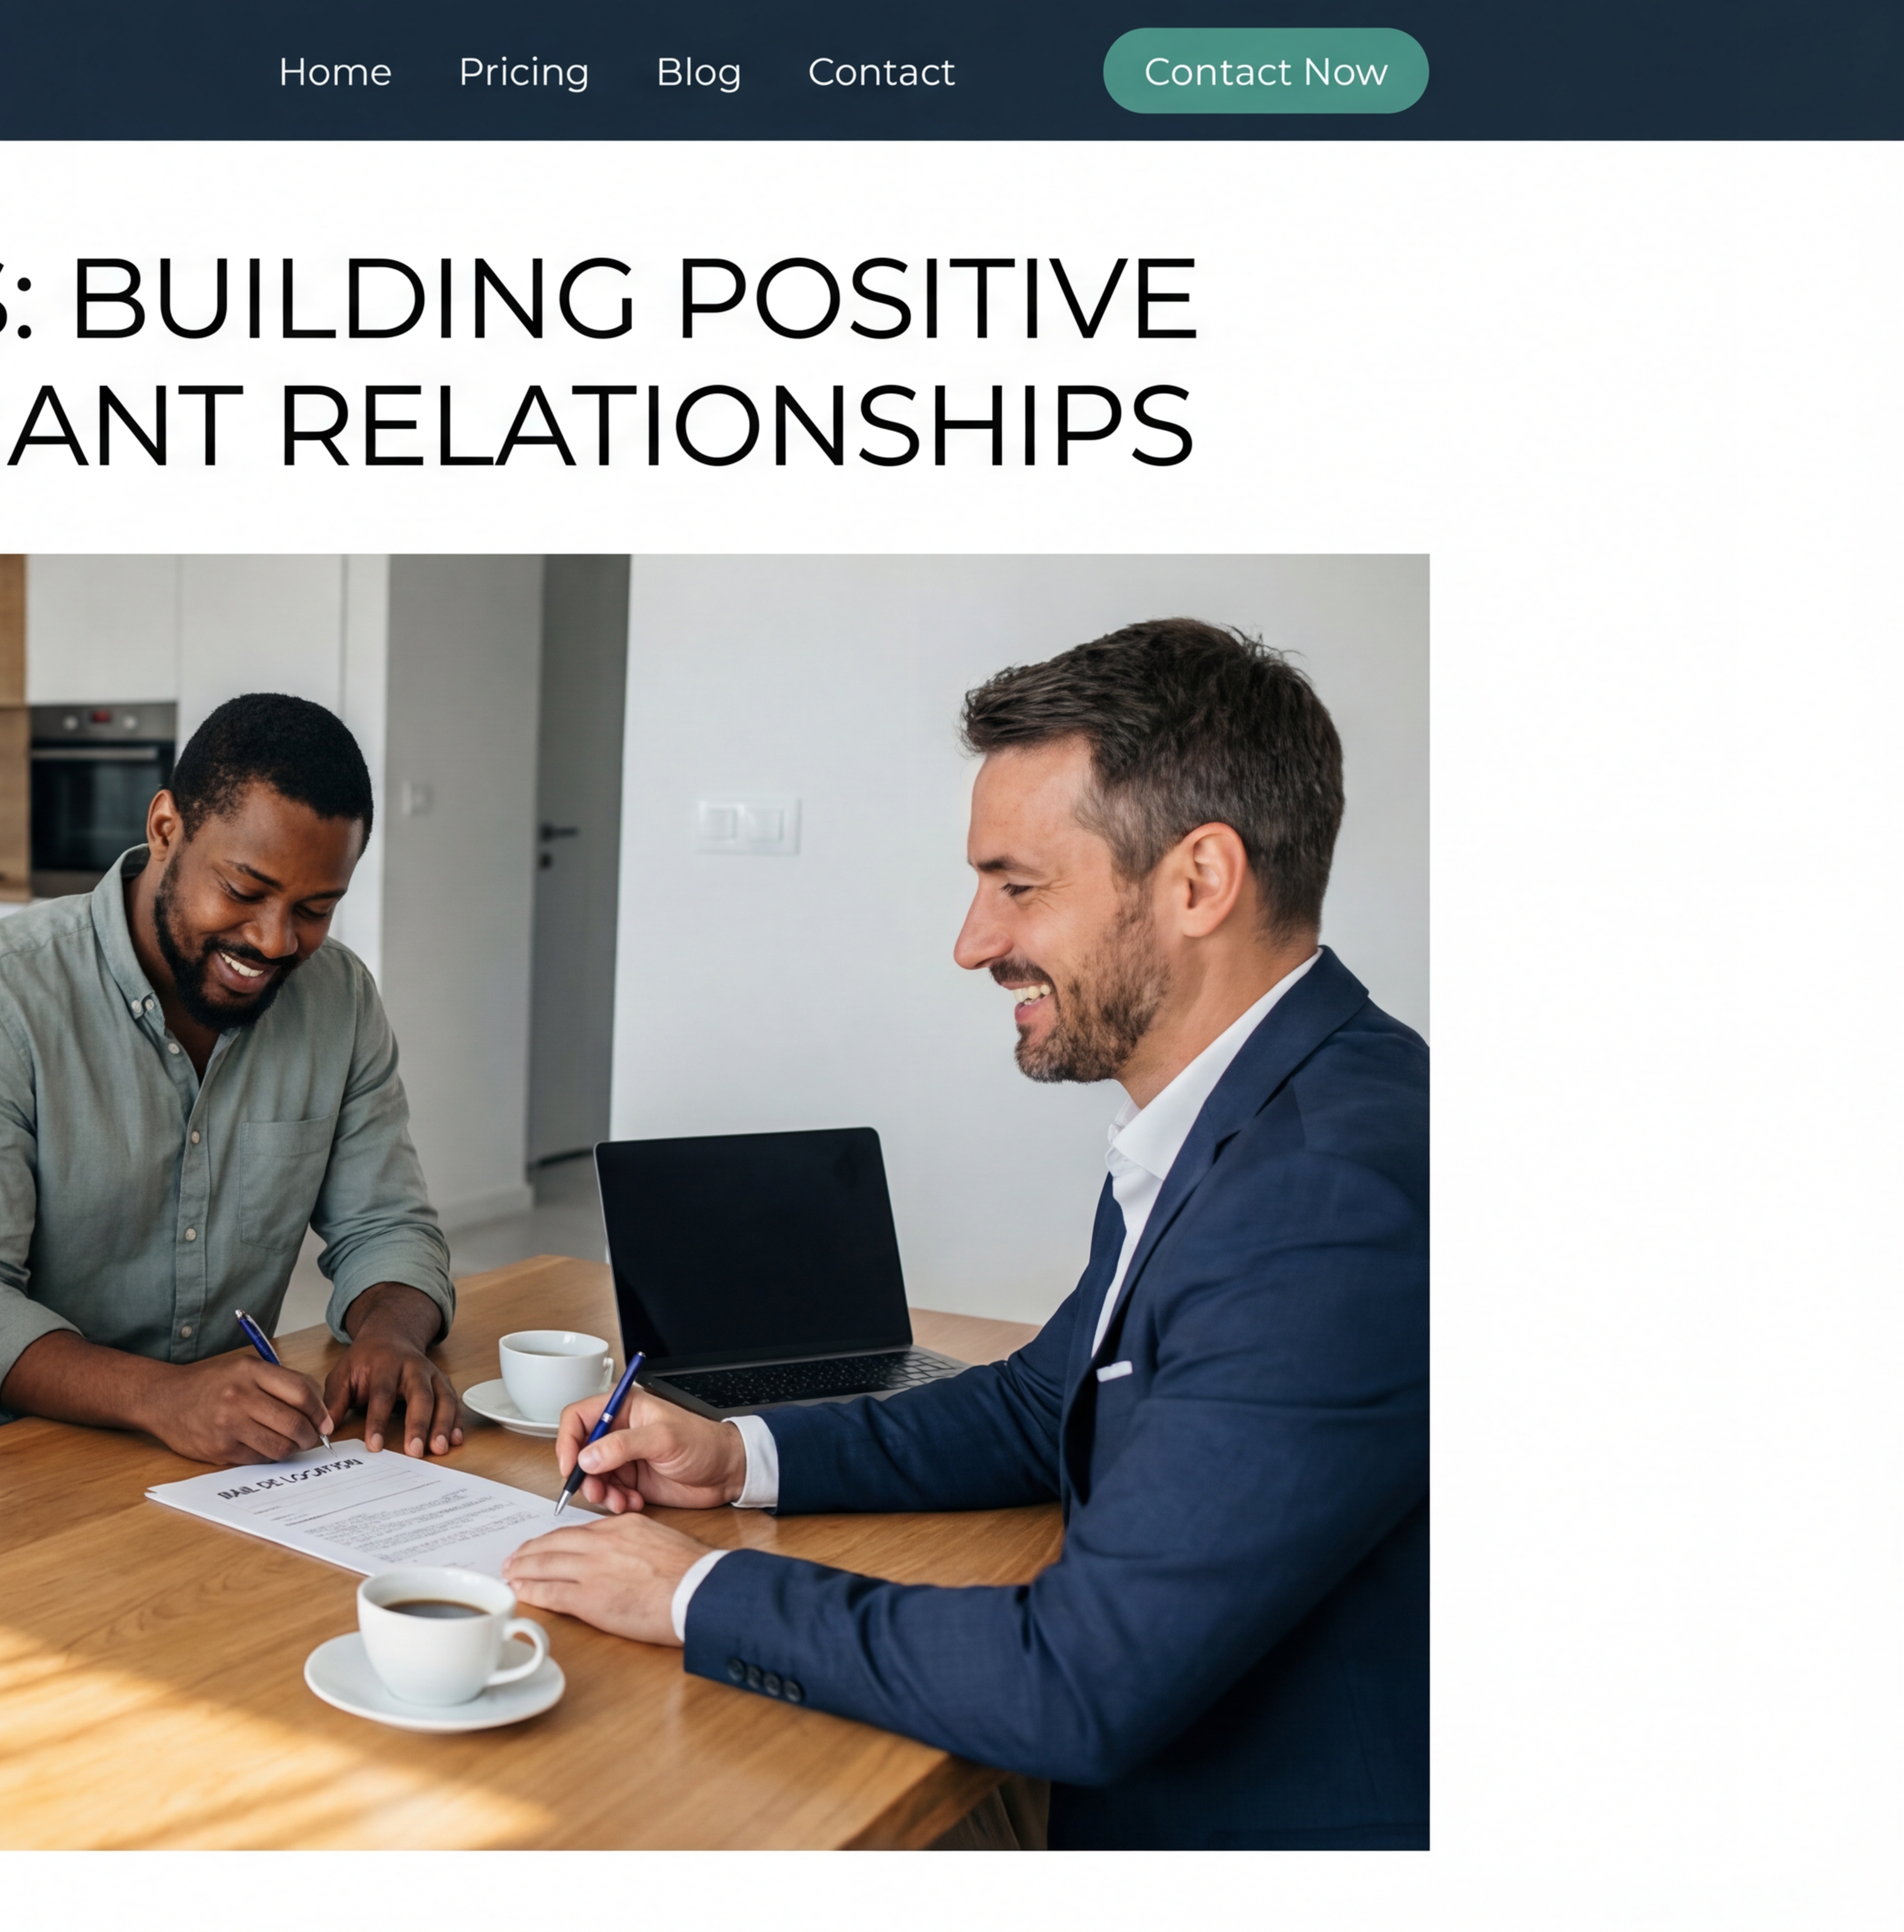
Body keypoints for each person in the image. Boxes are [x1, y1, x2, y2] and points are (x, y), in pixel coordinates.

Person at [505, 621, 1427, 1850]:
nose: (971, 942)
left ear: (1198, 881)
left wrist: (698, 1589)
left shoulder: (1324, 1198)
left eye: (1016, 885)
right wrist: (737, 1461)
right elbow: (1037, 1405)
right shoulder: (1240, 1113)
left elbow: (1079, 1681)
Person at [0, 691, 464, 1464]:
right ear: (166, 829)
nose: (274, 940)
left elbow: (387, 1226)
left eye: (315, 908)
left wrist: (391, 1338)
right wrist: (161, 1396)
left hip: (216, 1447)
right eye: (244, 891)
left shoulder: (340, 999)